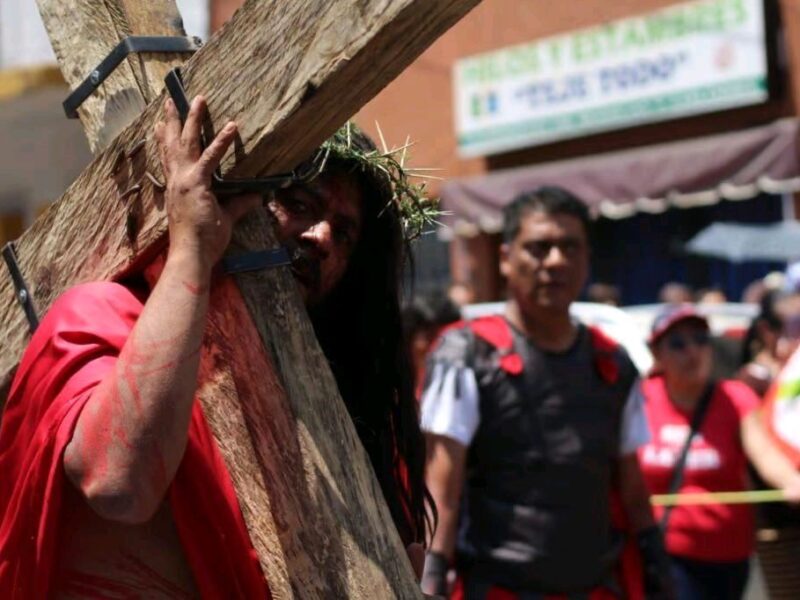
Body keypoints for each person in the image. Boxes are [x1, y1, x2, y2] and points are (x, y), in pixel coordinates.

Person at [0, 97, 433, 596]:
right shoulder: (99, 314)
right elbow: (118, 484)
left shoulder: (319, 400)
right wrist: (192, 250)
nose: (321, 238)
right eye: (298, 204)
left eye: (345, 232)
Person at [420, 186, 671, 599]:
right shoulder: (465, 354)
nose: (556, 261)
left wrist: (656, 561)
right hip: (499, 588)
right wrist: (432, 576)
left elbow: (632, 489)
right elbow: (441, 492)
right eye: (539, 247)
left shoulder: (613, 362)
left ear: (587, 260)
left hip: (596, 586)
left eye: (570, 247)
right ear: (505, 259)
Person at [637, 304, 800, 600]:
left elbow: (764, 453)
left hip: (729, 560)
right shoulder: (639, 399)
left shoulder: (736, 397)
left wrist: (792, 482)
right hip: (665, 556)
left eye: (701, 340)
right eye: (678, 343)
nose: (692, 352)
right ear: (657, 354)